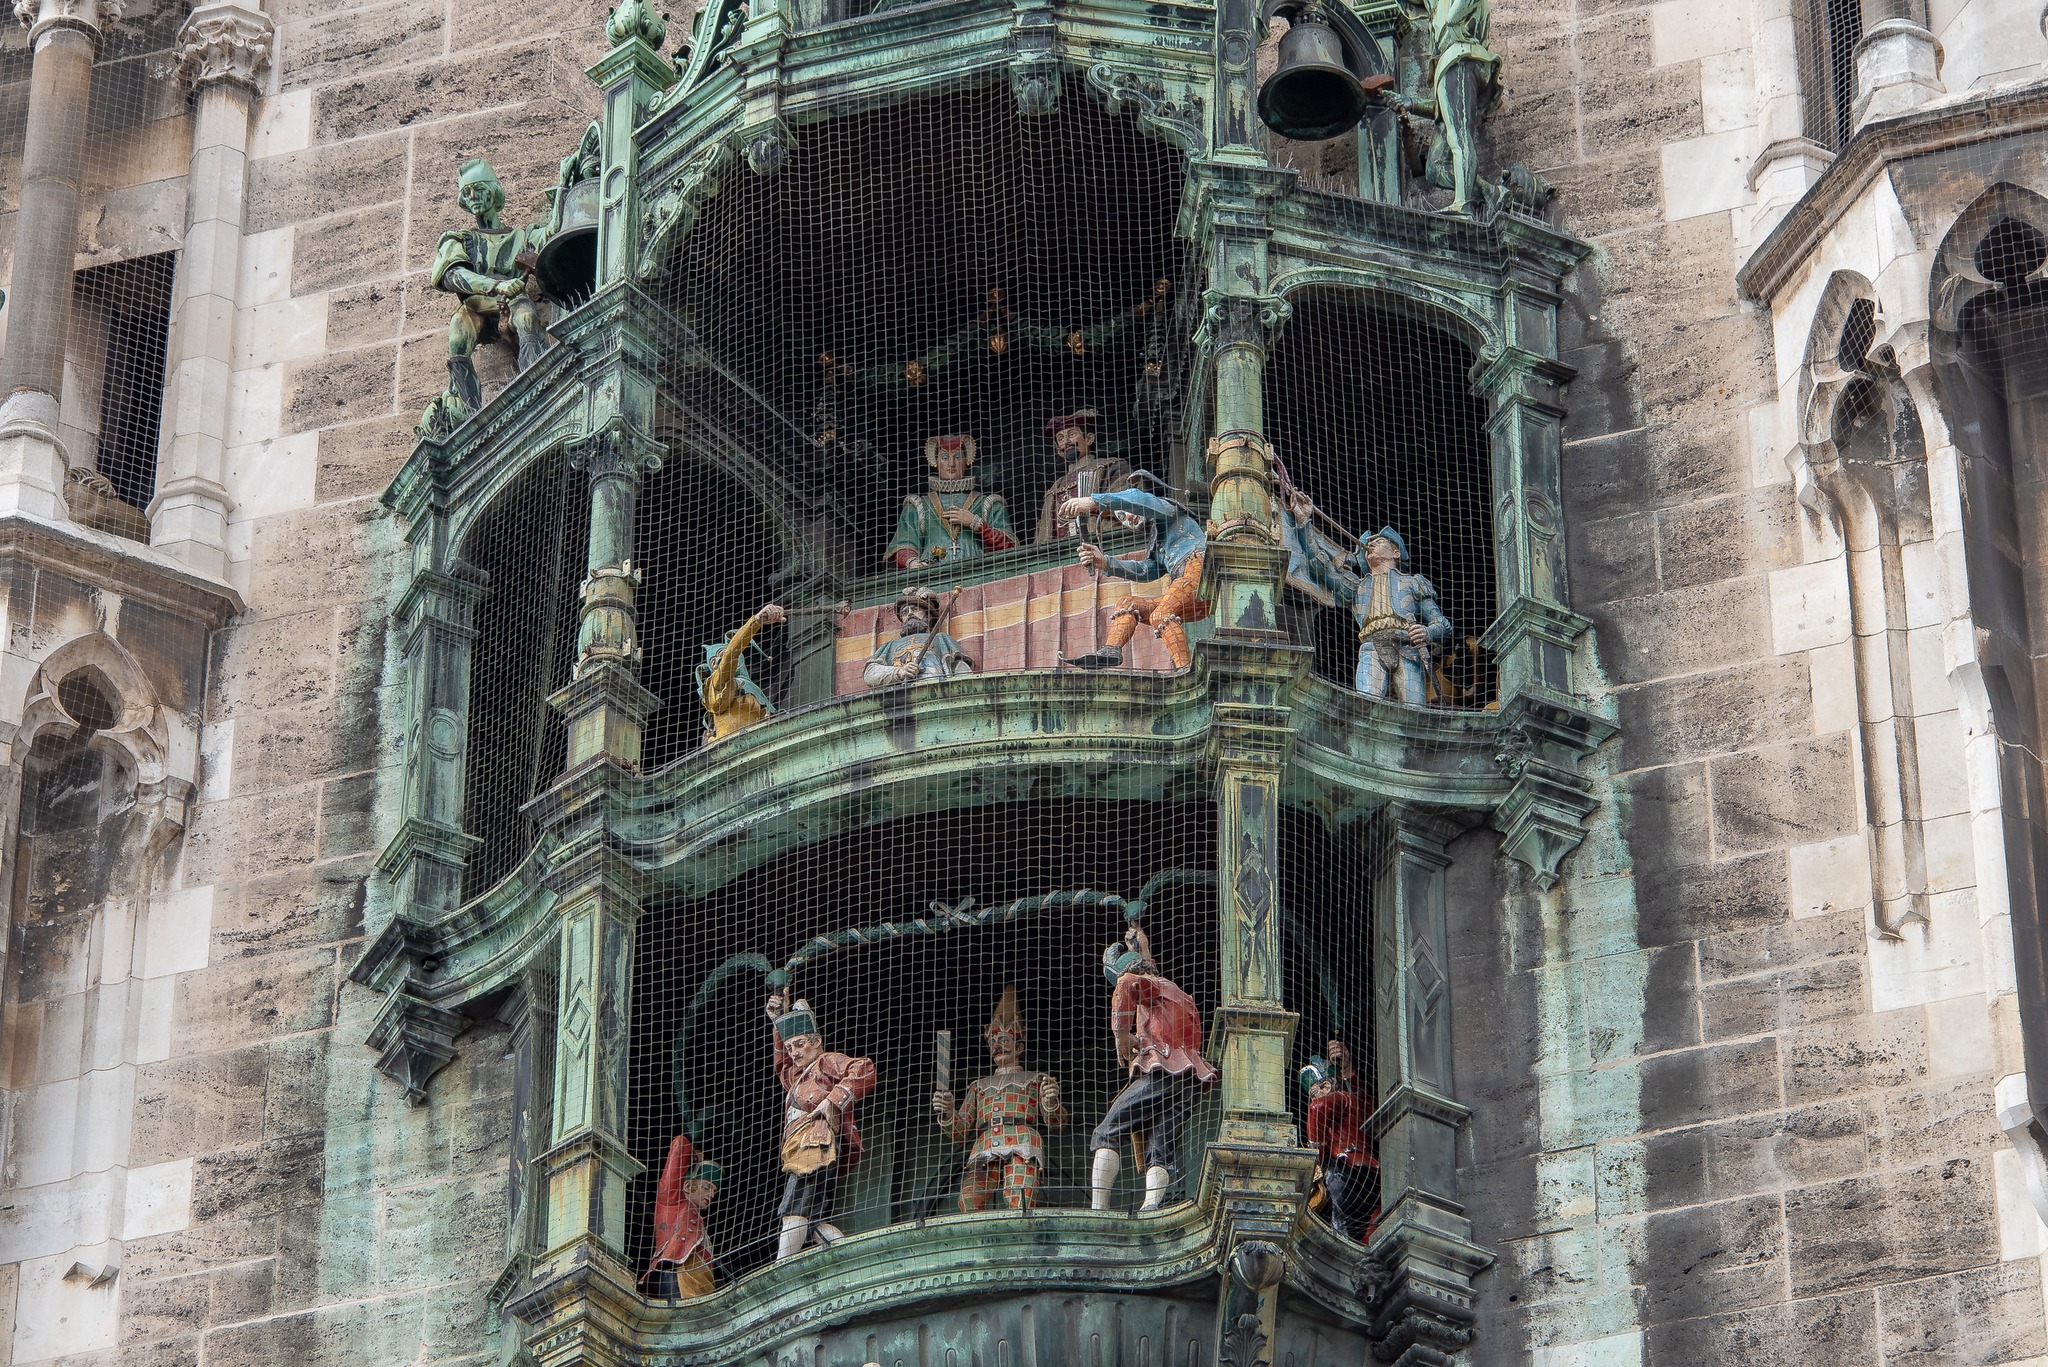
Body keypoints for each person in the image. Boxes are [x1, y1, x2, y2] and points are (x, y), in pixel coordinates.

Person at [1088, 922, 1217, 1211]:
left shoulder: (1152, 988)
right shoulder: (1176, 993)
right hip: (1189, 1082)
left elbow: (1127, 982)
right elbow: (1146, 975)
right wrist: (1141, 947)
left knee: (1107, 1132)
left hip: (1162, 1073)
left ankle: (1099, 1208)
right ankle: (1150, 1206)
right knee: (1160, 1148)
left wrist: (1121, 1035)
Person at [1281, 490, 1452, 704]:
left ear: (1396, 552)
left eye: (1379, 542)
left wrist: (1427, 631)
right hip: (1372, 647)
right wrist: (1303, 521)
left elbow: (1442, 624)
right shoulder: (1357, 587)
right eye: (1369, 544)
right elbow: (1321, 565)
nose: (1371, 544)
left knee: (1416, 711)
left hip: (1407, 649)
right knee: (1365, 706)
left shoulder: (1413, 582)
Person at [933, 986, 1068, 1212]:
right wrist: (948, 1112)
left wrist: (1051, 1102)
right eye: (993, 1042)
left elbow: (1057, 1123)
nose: (997, 1046)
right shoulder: (979, 1086)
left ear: (1019, 1046)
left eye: (1004, 1039)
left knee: (1020, 1196)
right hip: (985, 1145)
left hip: (1023, 1142)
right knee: (969, 1200)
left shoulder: (1036, 1079)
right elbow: (960, 1132)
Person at [1058, 475, 1211, 672]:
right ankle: (1111, 650)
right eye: (1122, 518)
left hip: (1199, 572)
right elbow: (1146, 571)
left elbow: (1139, 499)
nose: (1129, 518)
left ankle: (1184, 671)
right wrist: (1105, 562)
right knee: (1127, 604)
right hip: (1189, 589)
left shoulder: (1168, 510)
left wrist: (1093, 501)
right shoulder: (1158, 543)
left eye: (1127, 511)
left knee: (1161, 614)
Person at [430, 158, 547, 414]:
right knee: (458, 336)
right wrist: (495, 286)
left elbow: (550, 237)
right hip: (476, 304)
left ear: (494, 192)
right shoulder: (460, 239)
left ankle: (537, 389)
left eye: (479, 190)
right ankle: (469, 411)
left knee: (527, 317)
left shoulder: (522, 236)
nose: (472, 197)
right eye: (466, 193)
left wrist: (562, 196)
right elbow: (452, 275)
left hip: (514, 300)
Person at [766, 995, 877, 1260]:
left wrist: (833, 1099)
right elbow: (782, 1066)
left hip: (813, 1143)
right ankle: (851, 1260)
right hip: (802, 1144)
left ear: (816, 1042)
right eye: (790, 1047)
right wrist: (777, 1022)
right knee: (812, 1220)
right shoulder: (797, 1074)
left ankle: (782, 1268)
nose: (794, 1052)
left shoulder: (825, 1061)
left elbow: (864, 1068)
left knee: (794, 1208)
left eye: (800, 1044)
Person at [886, 434, 1017, 570]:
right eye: (945, 457)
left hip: (977, 570)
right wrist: (912, 562)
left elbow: (1009, 548)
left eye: (958, 457)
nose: (951, 463)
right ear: (935, 462)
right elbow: (903, 544)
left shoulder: (989, 504)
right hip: (931, 573)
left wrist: (977, 524)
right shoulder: (918, 505)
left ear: (966, 461)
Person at [1300, 1055, 1379, 1242]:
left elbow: (1317, 1108)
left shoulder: (1341, 1097)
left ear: (1329, 1085)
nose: (1316, 1096)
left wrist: (1316, 1150)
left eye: (1318, 1090)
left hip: (1344, 1168)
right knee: (1367, 1222)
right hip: (1371, 1171)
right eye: (1313, 1094)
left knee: (1340, 1225)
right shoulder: (1360, 1102)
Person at [640, 1134, 722, 1298]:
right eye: (706, 1187)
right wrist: (690, 1150)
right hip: (677, 1273)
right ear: (687, 1185)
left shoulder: (698, 1219)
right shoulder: (671, 1201)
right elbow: (678, 1147)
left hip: (700, 1281)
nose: (711, 1194)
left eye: (714, 1191)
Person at [1034, 410, 1134, 543]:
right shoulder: (1054, 489)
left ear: (1089, 439)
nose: (1066, 442)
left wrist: (1092, 505)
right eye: (1061, 439)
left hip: (1106, 544)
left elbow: (1130, 503)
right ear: (1059, 451)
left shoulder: (1112, 466)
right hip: (1059, 552)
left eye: (1072, 434)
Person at [696, 603, 785, 744]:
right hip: (730, 745)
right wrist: (756, 621)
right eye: (713, 662)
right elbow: (731, 654)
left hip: (755, 743)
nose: (719, 660)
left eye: (721, 654)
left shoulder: (751, 689)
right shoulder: (718, 682)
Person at [862, 586, 975, 688]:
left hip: (936, 689)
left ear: (929, 616)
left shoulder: (940, 638)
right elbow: (870, 673)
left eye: (915, 609)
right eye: (904, 613)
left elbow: (960, 667)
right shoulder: (890, 645)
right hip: (900, 696)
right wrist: (899, 672)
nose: (910, 614)